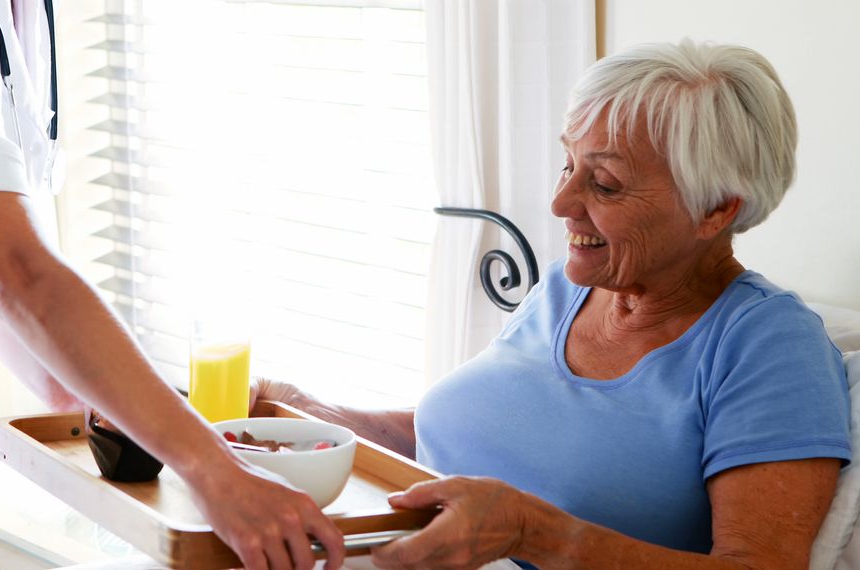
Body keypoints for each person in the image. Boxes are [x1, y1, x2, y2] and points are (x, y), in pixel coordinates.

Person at [0, 1, 344, 569]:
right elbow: (20, 273)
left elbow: (37, 342)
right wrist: (214, 471)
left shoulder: (27, 15)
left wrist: (187, 416)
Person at [253, 39, 850, 569]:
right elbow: (471, 441)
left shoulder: (769, 346)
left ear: (716, 209)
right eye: (569, 163)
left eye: (606, 183)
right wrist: (316, 416)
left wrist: (532, 532)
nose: (561, 201)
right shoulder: (570, 287)